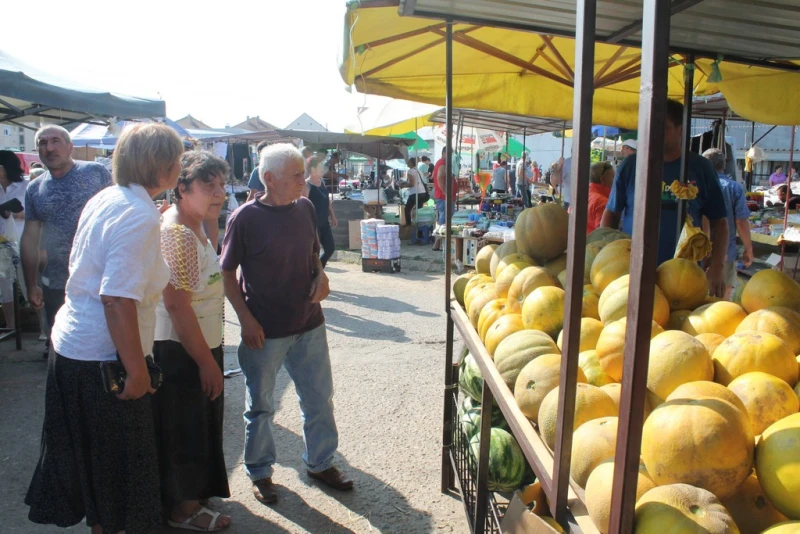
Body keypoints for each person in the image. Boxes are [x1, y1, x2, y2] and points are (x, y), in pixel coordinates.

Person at [25, 123, 185, 534]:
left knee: (98, 475)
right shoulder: (137, 214)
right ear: (163, 164)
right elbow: (116, 298)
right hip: (101, 358)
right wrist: (136, 371)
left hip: (73, 349)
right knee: (120, 479)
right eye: (178, 159)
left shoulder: (109, 197)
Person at [220, 143, 352, 506]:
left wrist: (321, 274)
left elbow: (312, 251)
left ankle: (320, 462)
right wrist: (245, 320)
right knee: (261, 407)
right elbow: (227, 273)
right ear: (268, 178)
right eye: (296, 175)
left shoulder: (306, 207)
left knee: (319, 399)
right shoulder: (244, 218)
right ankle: (260, 471)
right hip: (264, 330)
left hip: (309, 323)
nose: (304, 180)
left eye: (303, 173)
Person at [153, 150, 232, 531]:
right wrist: (206, 362)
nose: (219, 192)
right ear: (181, 188)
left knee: (200, 425)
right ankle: (184, 511)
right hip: (181, 350)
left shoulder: (195, 224)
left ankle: (193, 496)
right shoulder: (178, 233)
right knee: (185, 429)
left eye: (221, 184)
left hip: (198, 343)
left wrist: (210, 214)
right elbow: (177, 306)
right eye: (207, 184)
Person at [601, 99, 729, 295]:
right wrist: (604, 257)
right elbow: (611, 214)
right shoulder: (630, 166)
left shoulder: (700, 167)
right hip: (632, 272)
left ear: (680, 130)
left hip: (684, 275)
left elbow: (719, 222)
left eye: (664, 127)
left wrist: (718, 266)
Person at [21, 125, 112, 347]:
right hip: (57, 283)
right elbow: (30, 238)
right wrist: (31, 284)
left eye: (55, 141)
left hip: (99, 279)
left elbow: (115, 215)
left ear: (70, 147)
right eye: (43, 143)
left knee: (103, 346)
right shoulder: (35, 189)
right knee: (61, 344)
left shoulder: (95, 173)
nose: (49, 148)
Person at [703, 148, 753, 299]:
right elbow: (741, 222)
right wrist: (748, 249)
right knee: (722, 298)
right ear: (723, 165)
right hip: (725, 252)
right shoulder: (734, 188)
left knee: (697, 294)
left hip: (698, 251)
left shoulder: (696, 186)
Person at [0, 150, 28, 329]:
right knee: (5, 286)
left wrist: (17, 213)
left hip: (24, 241)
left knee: (28, 283)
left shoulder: (26, 186)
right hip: (2, 243)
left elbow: (36, 212)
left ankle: (43, 328)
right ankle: (10, 326)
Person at [303, 155, 338, 267]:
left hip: (324, 222)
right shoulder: (306, 185)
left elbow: (327, 201)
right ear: (312, 169)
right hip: (313, 224)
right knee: (315, 252)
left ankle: (319, 269)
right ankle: (314, 274)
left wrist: (333, 216)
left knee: (330, 248)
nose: (323, 169)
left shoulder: (322, 182)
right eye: (320, 167)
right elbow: (302, 206)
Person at [587, 161, 614, 233]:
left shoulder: (580, 195)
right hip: (590, 243)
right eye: (613, 177)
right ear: (602, 179)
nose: (615, 181)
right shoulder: (602, 202)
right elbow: (601, 235)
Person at [402, 157, 430, 225]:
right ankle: (419, 227)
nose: (407, 163)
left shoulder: (410, 171)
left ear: (411, 163)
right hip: (422, 193)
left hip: (415, 193)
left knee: (407, 209)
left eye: (408, 162)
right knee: (419, 211)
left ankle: (409, 226)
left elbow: (412, 183)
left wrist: (403, 186)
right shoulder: (419, 171)